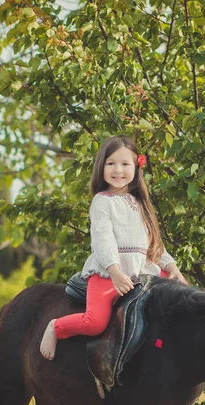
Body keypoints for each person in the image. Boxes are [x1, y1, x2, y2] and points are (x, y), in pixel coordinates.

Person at [40, 135, 186, 360]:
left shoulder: (141, 204)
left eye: (125, 164)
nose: (118, 170)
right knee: (95, 322)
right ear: (101, 167)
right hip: (108, 272)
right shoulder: (102, 201)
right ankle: (56, 327)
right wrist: (115, 271)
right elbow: (102, 239)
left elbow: (154, 244)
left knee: (180, 296)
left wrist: (172, 266)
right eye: (111, 164)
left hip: (142, 270)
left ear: (136, 167)